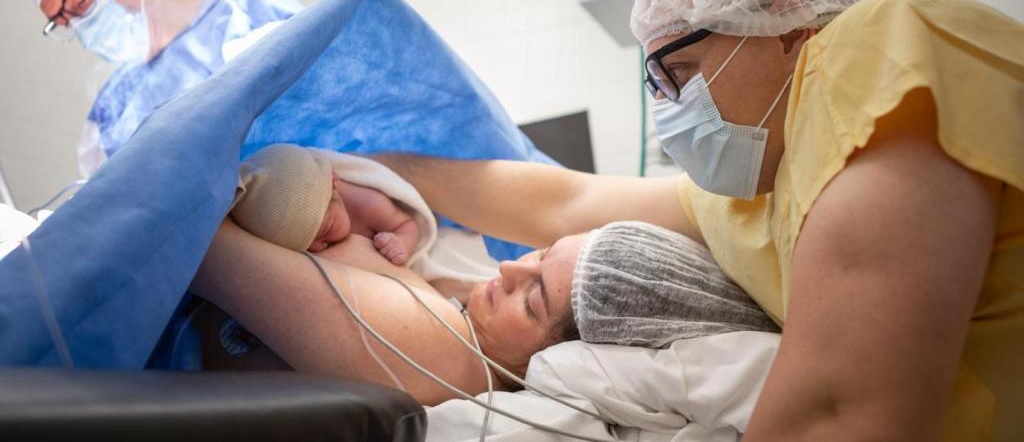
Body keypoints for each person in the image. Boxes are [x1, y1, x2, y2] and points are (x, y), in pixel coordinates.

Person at [372, 0, 1024, 440]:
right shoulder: (754, 191)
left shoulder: (878, 48)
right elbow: (567, 202)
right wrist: (377, 166)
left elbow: (836, 413)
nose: (669, 106)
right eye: (654, 84)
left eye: (678, 73)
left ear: (788, 21)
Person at [190, 219, 776, 406]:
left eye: (533, 298)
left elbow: (197, 243)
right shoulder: (458, 305)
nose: (508, 270)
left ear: (568, 356)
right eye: (538, 254)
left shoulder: (456, 355)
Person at [11, 0, 303, 176]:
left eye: (79, 3)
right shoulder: (113, 106)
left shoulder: (251, 8)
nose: (82, 26)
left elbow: (323, 113)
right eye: (64, 22)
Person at [230, 144, 420, 264]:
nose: (317, 249)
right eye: (304, 247)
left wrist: (401, 243)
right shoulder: (318, 227)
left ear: (333, 185)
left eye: (325, 231)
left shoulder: (371, 204)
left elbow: (408, 224)